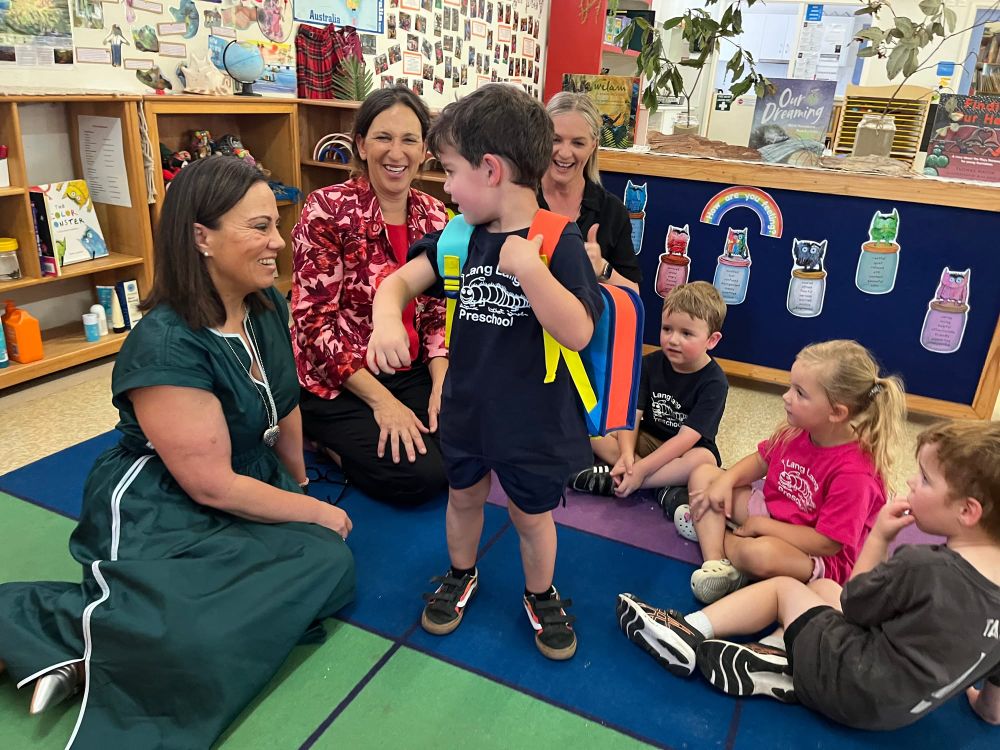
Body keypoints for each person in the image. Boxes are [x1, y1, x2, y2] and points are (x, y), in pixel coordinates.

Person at [0, 157, 355, 747]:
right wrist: (315, 513)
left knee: (329, 565)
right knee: (200, 634)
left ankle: (111, 646)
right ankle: (49, 629)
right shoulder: (166, 343)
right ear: (201, 237)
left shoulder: (264, 305)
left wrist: (300, 490)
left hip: (241, 480)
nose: (279, 241)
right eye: (260, 227)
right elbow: (210, 486)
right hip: (159, 504)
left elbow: (286, 405)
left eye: (276, 224)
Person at [367, 84, 604, 661]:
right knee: (464, 496)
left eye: (449, 172)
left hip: (534, 419)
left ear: (490, 169)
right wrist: (386, 323)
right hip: (468, 406)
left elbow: (578, 331)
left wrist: (531, 272)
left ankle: (541, 592)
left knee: (530, 514)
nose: (444, 187)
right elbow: (398, 282)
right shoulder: (458, 236)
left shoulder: (556, 242)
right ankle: (461, 573)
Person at [615, 420, 1000, 732]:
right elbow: (993, 710)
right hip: (894, 715)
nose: (912, 483)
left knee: (785, 590)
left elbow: (855, 605)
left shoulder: (924, 565)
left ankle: (688, 630)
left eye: (926, 480)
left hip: (850, 682)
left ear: (968, 512)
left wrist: (880, 537)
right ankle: (776, 654)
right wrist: (982, 705)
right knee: (824, 587)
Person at [292, 86, 449, 506]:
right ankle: (324, 440)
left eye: (409, 140)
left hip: (410, 369)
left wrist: (440, 383)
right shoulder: (327, 208)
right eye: (383, 137)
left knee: (469, 449)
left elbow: (435, 316)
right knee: (421, 478)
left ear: (424, 150)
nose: (395, 153)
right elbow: (312, 323)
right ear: (361, 144)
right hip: (340, 381)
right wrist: (383, 403)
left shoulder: (435, 215)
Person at [683, 339, 906, 604]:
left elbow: (827, 543)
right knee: (704, 476)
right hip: (777, 514)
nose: (786, 397)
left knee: (759, 554)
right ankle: (716, 564)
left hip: (816, 553)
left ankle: (715, 533)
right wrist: (726, 480)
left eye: (800, 393)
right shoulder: (797, 430)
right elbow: (760, 461)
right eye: (791, 387)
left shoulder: (856, 474)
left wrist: (760, 525)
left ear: (836, 412)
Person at [570, 282, 728, 504]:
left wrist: (642, 469)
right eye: (667, 329)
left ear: (712, 340)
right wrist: (626, 454)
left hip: (685, 450)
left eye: (686, 333)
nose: (673, 339)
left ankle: (626, 480)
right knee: (599, 435)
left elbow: (686, 438)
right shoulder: (648, 364)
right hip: (648, 440)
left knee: (702, 461)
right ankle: (655, 483)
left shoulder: (715, 383)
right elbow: (630, 416)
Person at [538, 91, 641, 291]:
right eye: (555, 140)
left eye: (578, 143)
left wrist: (602, 268)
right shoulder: (518, 198)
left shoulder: (611, 211)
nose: (565, 153)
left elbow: (633, 294)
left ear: (593, 145)